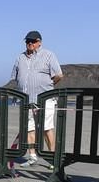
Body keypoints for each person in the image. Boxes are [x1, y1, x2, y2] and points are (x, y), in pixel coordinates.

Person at [10, 30, 62, 165]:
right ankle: (32, 156)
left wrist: (48, 87)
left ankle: (52, 158)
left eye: (32, 41)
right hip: (27, 100)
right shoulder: (20, 58)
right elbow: (15, 77)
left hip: (45, 99)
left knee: (47, 128)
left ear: (39, 42)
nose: (29, 44)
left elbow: (59, 75)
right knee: (29, 127)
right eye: (27, 41)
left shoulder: (48, 55)